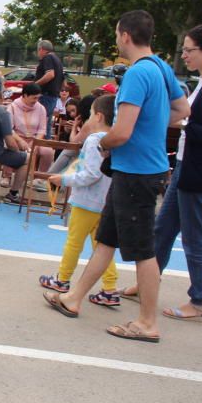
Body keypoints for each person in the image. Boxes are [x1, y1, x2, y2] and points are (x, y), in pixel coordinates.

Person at [44, 10, 189, 343]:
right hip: (138, 170)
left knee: (142, 249)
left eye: (115, 34)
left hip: (136, 171)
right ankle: (74, 297)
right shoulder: (162, 68)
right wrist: (151, 127)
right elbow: (183, 111)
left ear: (125, 35)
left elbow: (120, 133)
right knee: (106, 239)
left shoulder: (138, 75)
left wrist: (102, 143)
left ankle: (147, 322)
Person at [150, 22, 202, 322]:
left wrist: (184, 125)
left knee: (194, 236)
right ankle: (148, 281)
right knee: (163, 229)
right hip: (187, 167)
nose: (184, 55)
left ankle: (200, 300)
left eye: (189, 50)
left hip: (198, 171)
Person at [39, 94, 120, 305]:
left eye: (91, 114)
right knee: (101, 246)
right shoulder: (116, 138)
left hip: (87, 201)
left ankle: (62, 279)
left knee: (74, 242)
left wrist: (64, 179)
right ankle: (110, 288)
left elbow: (91, 174)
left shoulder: (95, 140)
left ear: (99, 116)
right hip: (105, 201)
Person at [8, 83, 54, 191]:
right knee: (12, 146)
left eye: (38, 98)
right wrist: (20, 141)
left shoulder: (41, 108)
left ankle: (39, 179)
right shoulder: (13, 107)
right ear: (25, 95)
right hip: (17, 138)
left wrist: (36, 142)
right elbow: (9, 129)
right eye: (34, 98)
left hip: (35, 139)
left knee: (48, 152)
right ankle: (7, 175)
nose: (36, 101)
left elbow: (42, 129)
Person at [32, 40, 64, 137]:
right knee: (46, 124)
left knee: (40, 124)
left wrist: (34, 85)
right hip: (53, 96)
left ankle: (39, 147)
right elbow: (63, 79)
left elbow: (50, 74)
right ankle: (46, 147)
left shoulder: (48, 57)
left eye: (38, 50)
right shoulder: (57, 60)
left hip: (45, 95)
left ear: (41, 49)